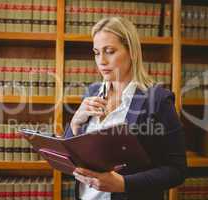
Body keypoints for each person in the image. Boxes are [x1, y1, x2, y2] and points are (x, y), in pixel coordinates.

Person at [64, 17, 187, 200]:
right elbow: (70, 161)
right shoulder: (92, 92)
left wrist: (124, 184)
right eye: (97, 53)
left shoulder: (158, 99)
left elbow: (177, 170)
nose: (102, 61)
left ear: (132, 52)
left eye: (110, 51)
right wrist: (75, 124)